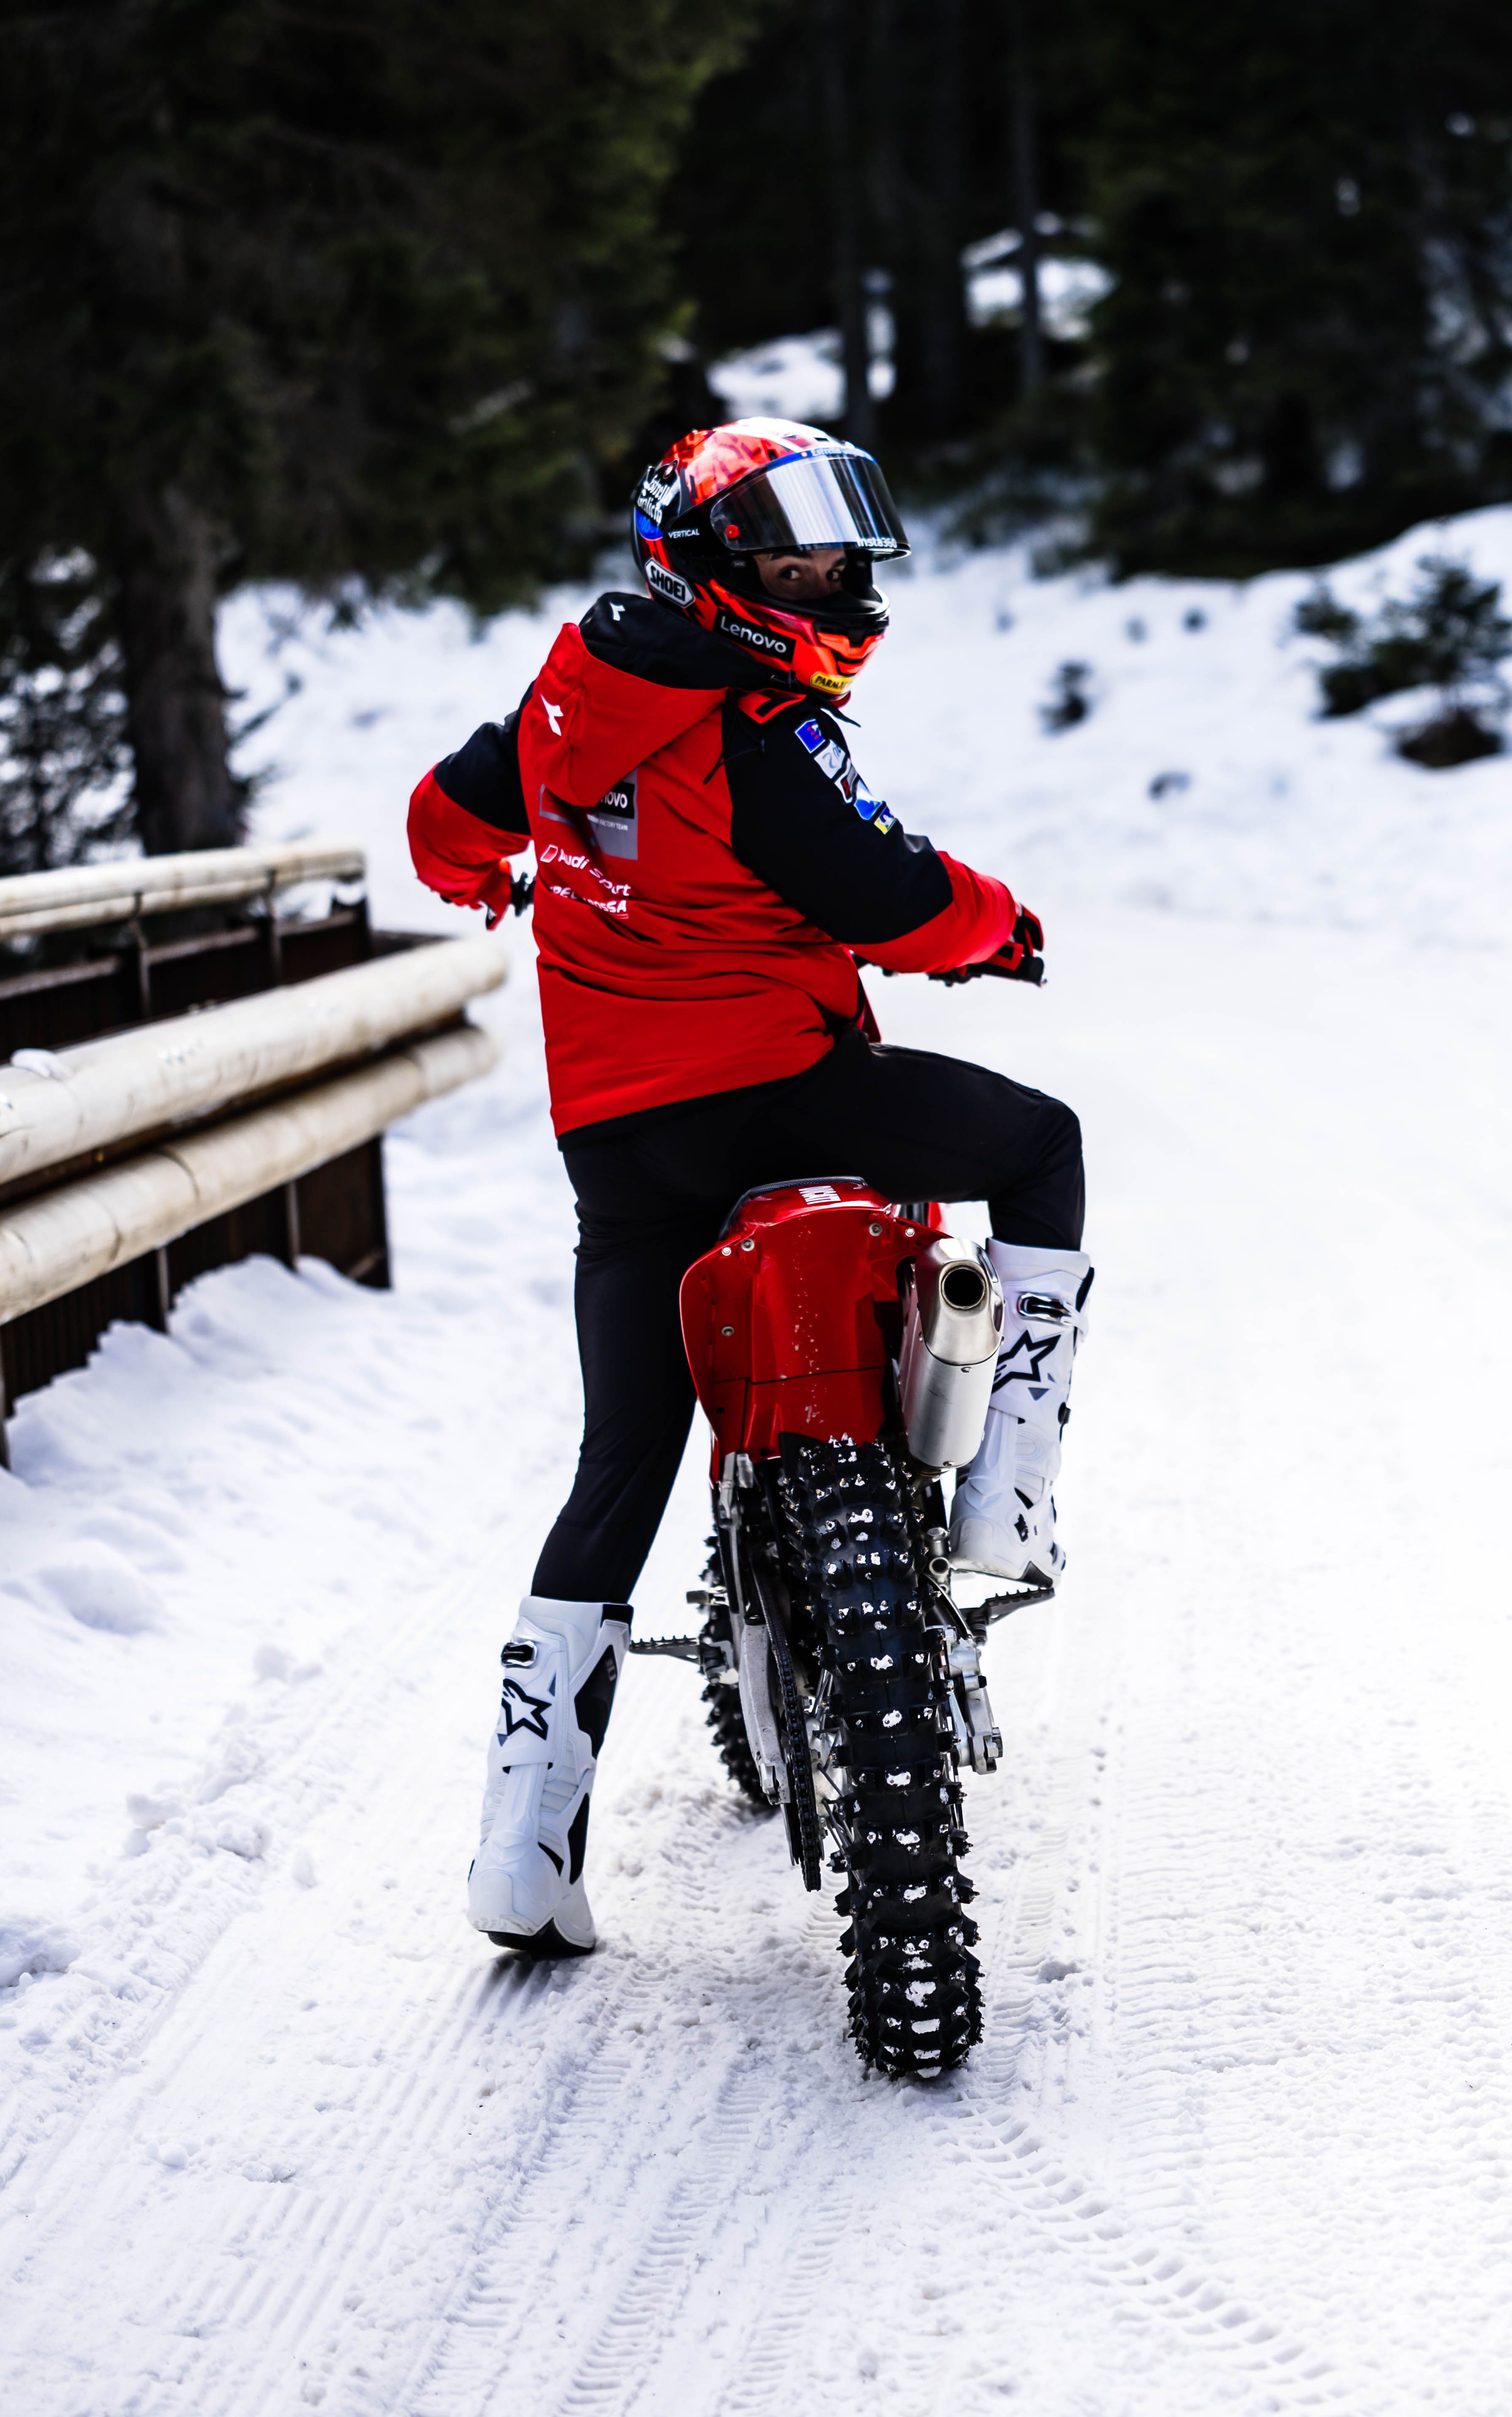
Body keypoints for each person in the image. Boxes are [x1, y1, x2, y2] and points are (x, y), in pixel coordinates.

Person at [407, 417, 1093, 1958]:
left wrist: (493, 879)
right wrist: (1002, 927)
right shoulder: (760, 721)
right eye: (795, 556)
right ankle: (1007, 1494)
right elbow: (883, 890)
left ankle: (525, 1850)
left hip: (624, 1145)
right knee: (1037, 1145)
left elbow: (445, 822)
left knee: (618, 1469)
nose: (833, 581)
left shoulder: (569, 694)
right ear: (712, 568)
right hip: (784, 1097)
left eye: (842, 553)